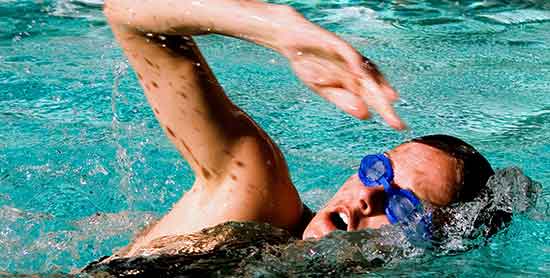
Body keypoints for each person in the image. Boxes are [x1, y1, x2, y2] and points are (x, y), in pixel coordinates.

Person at [101, 0, 498, 260]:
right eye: (378, 170)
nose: (368, 196)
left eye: (404, 205)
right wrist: (274, 27)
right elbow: (128, 13)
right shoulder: (253, 204)